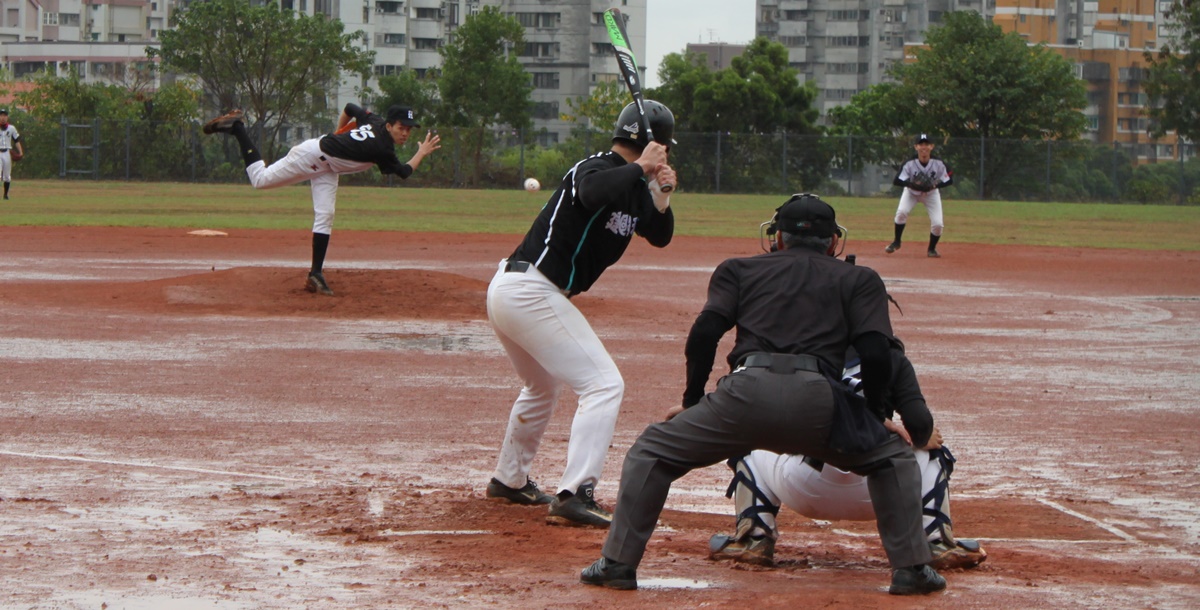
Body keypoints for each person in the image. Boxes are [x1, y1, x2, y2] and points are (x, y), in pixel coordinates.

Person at [580, 193, 946, 595]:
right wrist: (875, 417)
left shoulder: (738, 269)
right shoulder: (859, 278)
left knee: (651, 451)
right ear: (832, 243)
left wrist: (692, 401)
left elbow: (704, 334)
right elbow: (878, 352)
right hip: (820, 401)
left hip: (744, 392)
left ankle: (618, 564)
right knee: (893, 460)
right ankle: (911, 569)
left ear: (777, 238)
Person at [484, 100, 677, 529]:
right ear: (655, 144)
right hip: (529, 290)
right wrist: (640, 167)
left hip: (520, 290)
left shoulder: (633, 186)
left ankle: (509, 480)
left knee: (541, 386)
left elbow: (659, 236)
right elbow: (591, 194)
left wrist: (661, 195)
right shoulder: (595, 167)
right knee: (604, 384)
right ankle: (576, 493)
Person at [708, 339, 988, 571]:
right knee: (934, 453)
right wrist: (911, 434)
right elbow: (921, 425)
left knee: (750, 435)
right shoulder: (890, 355)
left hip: (802, 484)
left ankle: (753, 538)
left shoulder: (794, 350)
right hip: (884, 488)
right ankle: (937, 540)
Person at [202, 104, 440, 295]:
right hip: (312, 155)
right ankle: (238, 128)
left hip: (328, 168)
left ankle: (315, 274)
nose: (406, 133)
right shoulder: (383, 148)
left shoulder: (374, 120)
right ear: (389, 125)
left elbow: (349, 108)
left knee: (325, 216)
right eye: (402, 127)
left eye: (410, 129)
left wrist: (339, 131)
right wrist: (422, 152)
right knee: (260, 180)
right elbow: (404, 172)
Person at [885, 134, 953, 258]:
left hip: (931, 194)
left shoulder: (938, 163)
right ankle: (896, 242)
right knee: (901, 213)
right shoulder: (910, 163)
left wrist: (934, 186)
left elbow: (949, 178)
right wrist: (912, 185)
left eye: (926, 144)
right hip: (911, 193)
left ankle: (931, 249)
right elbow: (897, 180)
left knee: (938, 224)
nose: (924, 147)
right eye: (921, 144)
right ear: (916, 147)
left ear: (931, 146)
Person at [0, 109, 25, 201]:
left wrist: (20, 152)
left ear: (7, 117)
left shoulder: (11, 128)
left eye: (4, 115)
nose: (3, 117)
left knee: (7, 176)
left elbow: (16, 140)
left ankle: (6, 194)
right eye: (1, 115)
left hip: (7, 152)